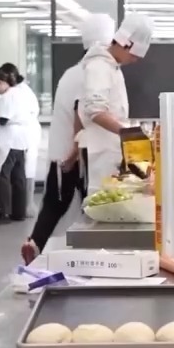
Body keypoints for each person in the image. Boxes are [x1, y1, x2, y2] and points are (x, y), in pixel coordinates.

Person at [23, 14, 116, 261]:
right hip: (76, 155)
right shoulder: (90, 72)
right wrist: (74, 154)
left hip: (62, 152)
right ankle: (90, 255)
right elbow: (80, 114)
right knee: (92, 205)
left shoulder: (70, 72)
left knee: (54, 205)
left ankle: (35, 244)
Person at [79, 12, 154, 193]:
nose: (134, 61)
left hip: (111, 152)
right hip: (100, 155)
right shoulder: (98, 67)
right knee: (101, 199)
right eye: (134, 56)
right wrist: (128, 133)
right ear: (125, 43)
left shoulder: (112, 67)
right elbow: (96, 111)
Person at [0, 62, 43, 213]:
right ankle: (22, 209)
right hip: (24, 135)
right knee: (22, 171)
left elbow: (7, 116)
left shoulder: (17, 92)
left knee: (21, 171)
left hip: (23, 134)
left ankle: (23, 207)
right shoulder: (20, 90)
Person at [0, 70, 30, 225]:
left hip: (10, 139)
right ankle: (19, 213)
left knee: (3, 175)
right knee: (18, 177)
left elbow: (3, 120)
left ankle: (4, 213)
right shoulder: (19, 94)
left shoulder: (7, 97)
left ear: (0, 82)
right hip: (21, 140)